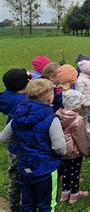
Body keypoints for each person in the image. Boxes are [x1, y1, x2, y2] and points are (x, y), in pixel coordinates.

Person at [0, 79, 66, 211]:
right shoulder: (51, 118)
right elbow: (59, 147)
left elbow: (4, 137)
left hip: (25, 166)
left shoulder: (18, 115)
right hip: (46, 168)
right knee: (47, 204)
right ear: (50, 97)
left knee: (27, 203)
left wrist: (23, 143)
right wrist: (60, 153)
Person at [0, 68, 30, 212]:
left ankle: (13, 206)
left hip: (13, 146)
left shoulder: (5, 96)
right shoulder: (24, 101)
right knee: (25, 178)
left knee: (14, 178)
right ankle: (25, 205)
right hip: (25, 145)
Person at [57, 90, 90, 204]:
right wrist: (87, 151)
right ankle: (74, 195)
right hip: (74, 151)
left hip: (61, 149)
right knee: (74, 172)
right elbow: (81, 138)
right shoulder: (78, 120)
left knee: (65, 171)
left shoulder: (58, 115)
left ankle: (65, 193)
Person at [76, 59, 90, 132]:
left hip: (89, 101)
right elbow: (80, 92)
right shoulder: (81, 80)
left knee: (87, 114)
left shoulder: (88, 77)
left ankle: (86, 124)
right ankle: (84, 127)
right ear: (87, 70)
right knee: (84, 114)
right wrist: (82, 102)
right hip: (84, 102)